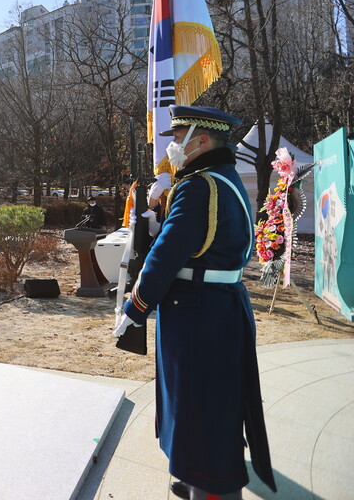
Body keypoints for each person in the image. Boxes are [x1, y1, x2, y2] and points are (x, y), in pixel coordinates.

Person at [114, 105, 276, 500]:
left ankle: (207, 485)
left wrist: (135, 307)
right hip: (219, 307)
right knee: (208, 406)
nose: (172, 146)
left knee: (199, 411)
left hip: (198, 315)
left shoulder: (198, 185)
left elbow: (165, 256)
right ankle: (193, 477)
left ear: (200, 140)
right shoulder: (224, 178)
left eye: (177, 137)